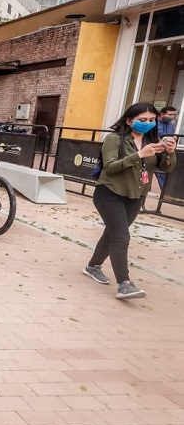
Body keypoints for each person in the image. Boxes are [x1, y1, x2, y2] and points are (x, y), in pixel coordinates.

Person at [83, 103, 176, 299]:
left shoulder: (152, 140)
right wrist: (139, 154)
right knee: (121, 237)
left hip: (135, 197)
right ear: (129, 120)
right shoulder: (115, 139)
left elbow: (166, 168)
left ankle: (92, 267)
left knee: (113, 233)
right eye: (142, 120)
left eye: (151, 120)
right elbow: (110, 167)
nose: (148, 124)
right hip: (109, 193)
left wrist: (169, 151)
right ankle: (124, 284)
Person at [156, 106, 178, 190]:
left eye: (174, 115)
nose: (172, 116)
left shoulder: (171, 125)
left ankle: (165, 192)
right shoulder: (154, 123)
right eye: (170, 114)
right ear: (162, 114)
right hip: (154, 151)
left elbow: (171, 135)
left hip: (165, 152)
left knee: (163, 173)